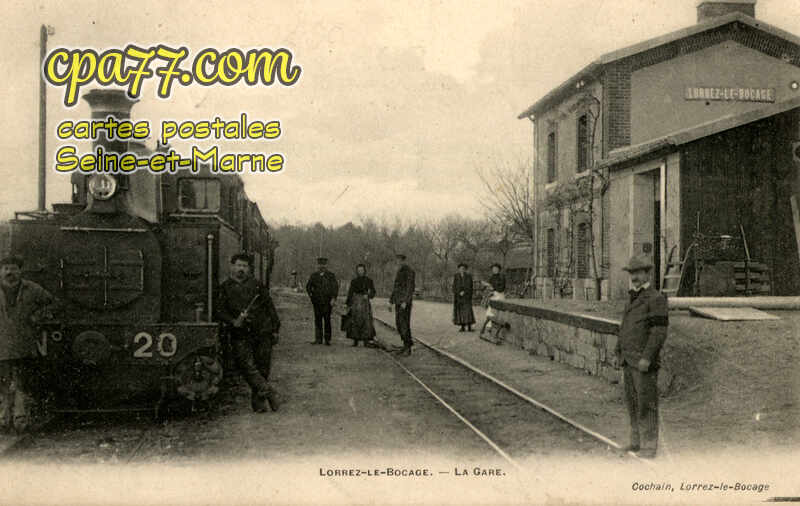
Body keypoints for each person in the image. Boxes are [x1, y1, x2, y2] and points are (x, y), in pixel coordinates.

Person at [615, 254, 668, 459]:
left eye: (638, 273)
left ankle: (649, 446)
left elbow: (658, 332)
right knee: (633, 403)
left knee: (647, 404)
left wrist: (647, 357)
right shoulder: (632, 297)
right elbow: (625, 326)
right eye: (631, 273)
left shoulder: (656, 299)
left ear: (648, 274)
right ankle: (636, 442)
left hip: (643, 362)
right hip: (628, 360)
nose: (634, 277)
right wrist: (619, 350)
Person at [216, 253, 281, 413]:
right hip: (240, 333)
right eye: (238, 265)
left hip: (262, 331)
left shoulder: (257, 286)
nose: (241, 269)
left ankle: (259, 405)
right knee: (245, 366)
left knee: (262, 367)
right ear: (232, 267)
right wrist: (233, 321)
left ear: (249, 269)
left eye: (244, 266)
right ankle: (269, 392)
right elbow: (219, 311)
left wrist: (275, 329)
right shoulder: (225, 287)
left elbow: (270, 308)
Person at [0, 255, 54, 433]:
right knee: (3, 384)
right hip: (1, 344)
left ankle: (20, 421)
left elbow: (53, 304)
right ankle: (3, 420)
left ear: (20, 271)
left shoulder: (32, 289)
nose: (10, 272)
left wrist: (37, 316)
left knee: (22, 383)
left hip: (23, 344)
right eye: (6, 269)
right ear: (1, 271)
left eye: (14, 269)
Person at [305, 257, 339, 345]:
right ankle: (318, 339)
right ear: (317, 265)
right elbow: (308, 287)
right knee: (318, 320)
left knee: (327, 320)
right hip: (317, 302)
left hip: (328, 302)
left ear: (326, 265)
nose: (322, 266)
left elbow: (335, 288)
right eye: (320, 264)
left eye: (323, 264)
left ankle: (327, 339)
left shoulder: (331, 276)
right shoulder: (314, 276)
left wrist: (333, 298)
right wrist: (312, 296)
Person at [389, 254, 415, 356]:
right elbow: (396, 288)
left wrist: (405, 301)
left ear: (404, 261)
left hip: (404, 303)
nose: (398, 262)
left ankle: (408, 347)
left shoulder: (409, 271)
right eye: (397, 261)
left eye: (400, 260)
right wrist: (391, 301)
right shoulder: (399, 271)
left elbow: (410, 288)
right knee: (399, 324)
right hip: (398, 301)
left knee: (404, 324)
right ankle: (405, 345)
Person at [345, 264, 377, 347]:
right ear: (357, 271)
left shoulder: (369, 281)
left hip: (365, 304)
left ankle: (366, 340)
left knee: (366, 321)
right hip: (356, 303)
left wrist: (368, 295)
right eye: (359, 270)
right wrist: (348, 304)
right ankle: (355, 340)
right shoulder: (354, 281)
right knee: (355, 320)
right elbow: (350, 293)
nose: (360, 272)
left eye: (362, 270)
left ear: (364, 271)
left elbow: (373, 292)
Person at [480, 263, 506, 334]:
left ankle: (497, 328)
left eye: (496, 269)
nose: (494, 270)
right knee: (490, 311)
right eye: (493, 269)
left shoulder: (502, 277)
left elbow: (501, 288)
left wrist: (492, 287)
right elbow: (489, 286)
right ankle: (489, 327)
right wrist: (485, 285)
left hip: (499, 295)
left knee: (498, 312)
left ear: (499, 269)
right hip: (492, 296)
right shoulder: (492, 277)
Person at [452, 263, 475, 332]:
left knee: (468, 311)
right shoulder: (456, 276)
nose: (462, 270)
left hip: (466, 296)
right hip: (458, 297)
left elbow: (470, 286)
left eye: (463, 269)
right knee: (460, 311)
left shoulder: (468, 276)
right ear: (458, 269)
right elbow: (454, 286)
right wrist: (458, 292)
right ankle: (462, 327)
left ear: (465, 269)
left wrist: (464, 292)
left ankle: (469, 327)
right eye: (460, 268)